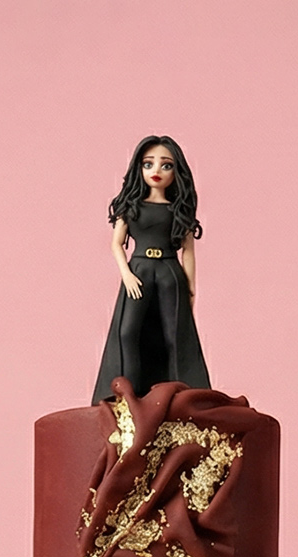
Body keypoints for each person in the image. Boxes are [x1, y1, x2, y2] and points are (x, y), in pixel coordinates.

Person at [91, 136, 212, 404]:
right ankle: (127, 396)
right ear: (139, 168)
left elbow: (188, 251)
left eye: (166, 165)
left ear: (177, 172)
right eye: (149, 164)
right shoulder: (131, 206)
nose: (156, 170)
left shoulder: (179, 211)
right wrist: (126, 274)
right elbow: (116, 244)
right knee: (127, 331)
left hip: (170, 273)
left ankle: (183, 397)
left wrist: (191, 288)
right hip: (139, 271)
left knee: (175, 334)